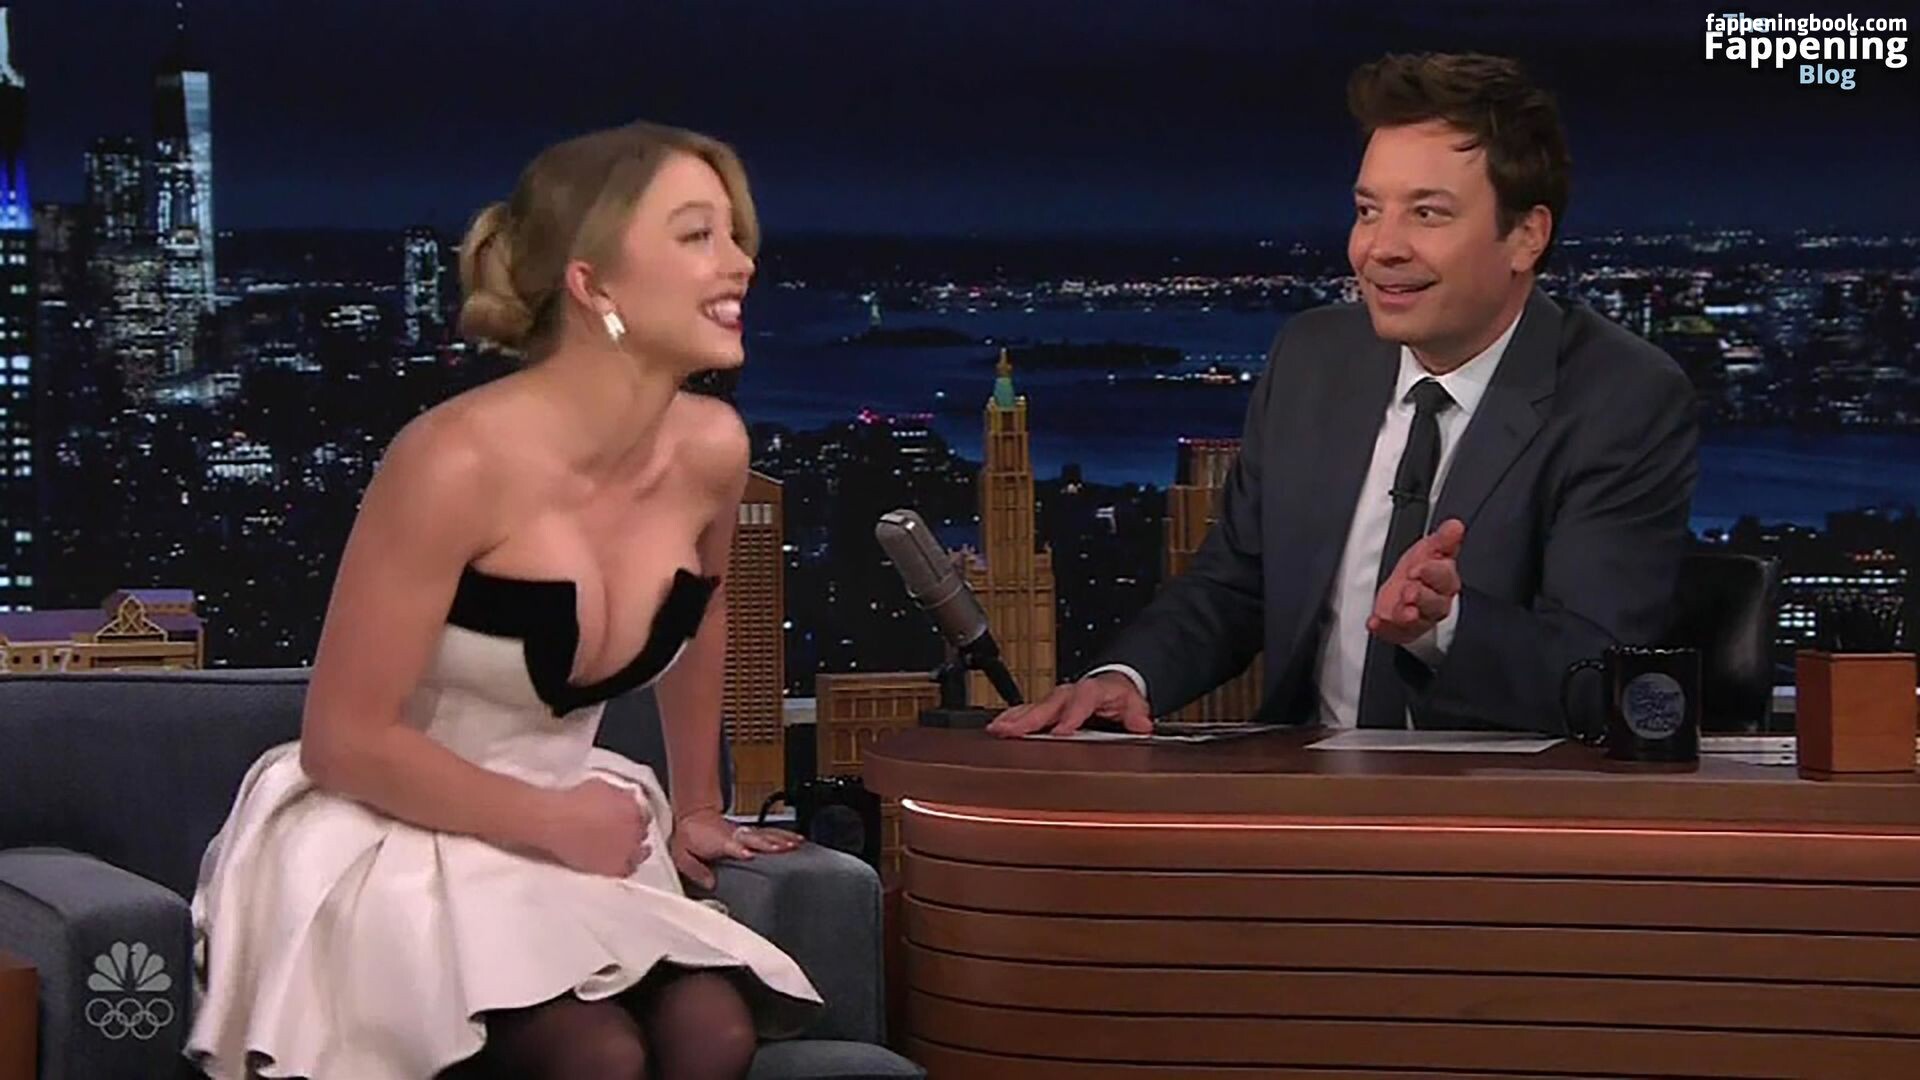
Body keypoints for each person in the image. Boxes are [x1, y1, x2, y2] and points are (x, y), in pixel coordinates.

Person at [186, 121, 822, 1080]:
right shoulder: (453, 461)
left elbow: (706, 618)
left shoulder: (711, 450)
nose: (740, 263)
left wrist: (698, 803)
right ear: (593, 284)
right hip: (397, 831)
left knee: (715, 1034)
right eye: (698, 235)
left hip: (572, 826)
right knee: (597, 1056)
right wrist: (553, 823)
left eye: (736, 236)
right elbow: (343, 740)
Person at [990, 53, 1699, 738]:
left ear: (1525, 236)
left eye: (1427, 214)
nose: (1379, 248)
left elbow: (1600, 676)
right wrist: (1128, 678)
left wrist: (1445, 626)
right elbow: (1235, 583)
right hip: (1302, 787)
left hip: (1495, 803)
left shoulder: (1621, 397)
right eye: (1367, 211)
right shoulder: (1313, 359)